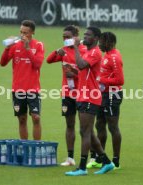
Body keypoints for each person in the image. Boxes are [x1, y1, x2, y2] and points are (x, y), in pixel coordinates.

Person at [65, 27, 115, 176]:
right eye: (85, 34)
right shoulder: (87, 52)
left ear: (96, 38)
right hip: (83, 95)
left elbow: (81, 64)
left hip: (90, 96)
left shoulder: (94, 52)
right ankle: (107, 162)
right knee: (89, 132)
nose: (84, 37)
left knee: (84, 132)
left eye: (88, 35)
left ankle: (82, 167)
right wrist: (73, 72)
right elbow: (84, 72)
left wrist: (75, 48)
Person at [46, 25, 86, 166]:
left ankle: (91, 157)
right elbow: (49, 60)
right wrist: (58, 51)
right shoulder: (64, 51)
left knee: (84, 127)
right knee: (70, 125)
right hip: (67, 94)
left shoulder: (83, 50)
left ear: (76, 36)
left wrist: (74, 74)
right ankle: (70, 158)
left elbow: (89, 74)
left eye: (68, 37)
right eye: (63, 37)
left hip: (82, 94)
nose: (65, 39)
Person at [0, 20, 44, 140]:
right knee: (22, 119)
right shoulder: (14, 45)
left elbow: (37, 64)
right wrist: (7, 49)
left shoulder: (38, 45)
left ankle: (36, 148)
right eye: (21, 32)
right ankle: (24, 147)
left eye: (26, 33)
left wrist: (27, 48)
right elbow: (2, 63)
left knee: (36, 117)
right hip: (18, 89)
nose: (22, 35)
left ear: (32, 32)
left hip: (33, 89)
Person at [86, 32, 124, 170]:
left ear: (110, 43)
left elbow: (120, 80)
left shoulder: (113, 57)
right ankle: (100, 158)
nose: (99, 44)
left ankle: (116, 161)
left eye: (102, 42)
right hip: (103, 95)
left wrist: (101, 80)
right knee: (99, 125)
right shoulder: (107, 55)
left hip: (112, 95)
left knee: (113, 127)